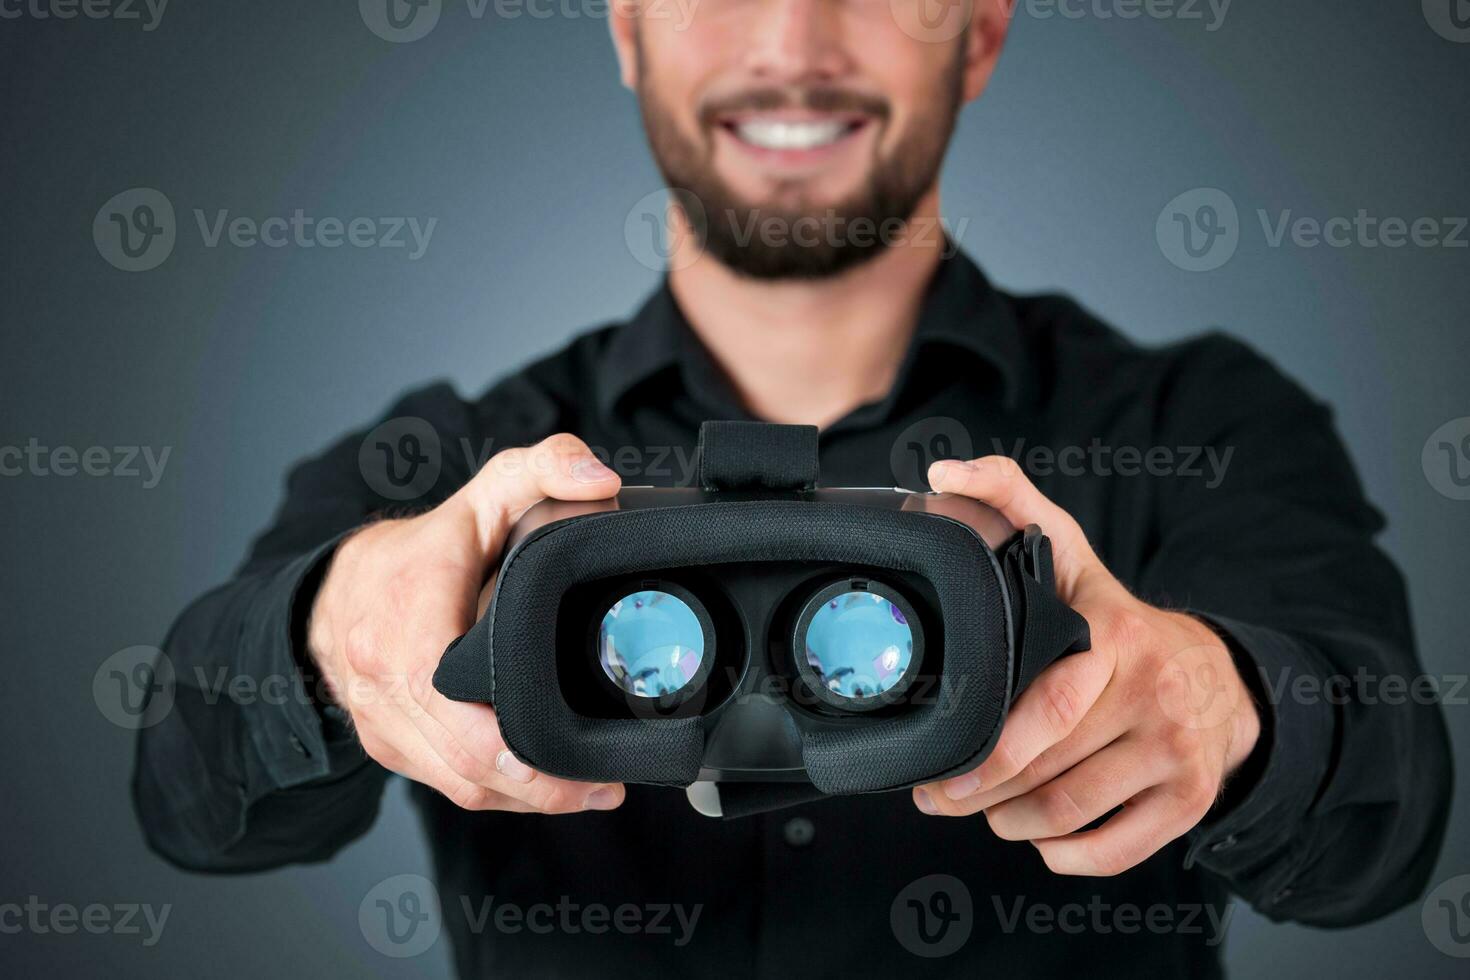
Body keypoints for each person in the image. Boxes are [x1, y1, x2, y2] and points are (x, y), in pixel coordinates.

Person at [133, 1, 1452, 975]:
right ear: (627, 31)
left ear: (978, 36)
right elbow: (187, 788)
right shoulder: (450, 465)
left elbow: (1385, 828)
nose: (790, 37)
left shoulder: (1193, 422)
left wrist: (1221, 714)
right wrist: (334, 633)